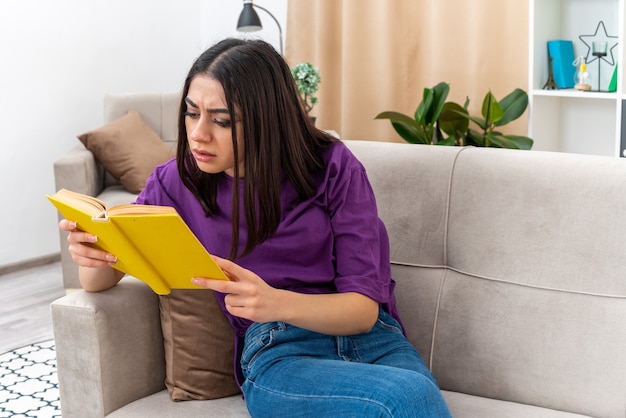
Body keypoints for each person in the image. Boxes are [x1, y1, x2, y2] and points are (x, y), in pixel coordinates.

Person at [59, 38, 452, 417]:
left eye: (222, 121)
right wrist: (91, 252)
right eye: (192, 113)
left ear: (268, 120)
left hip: (374, 341)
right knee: (408, 398)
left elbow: (363, 311)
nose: (198, 134)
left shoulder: (333, 167)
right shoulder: (175, 183)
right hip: (281, 352)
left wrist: (275, 300)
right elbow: (99, 282)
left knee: (412, 398)